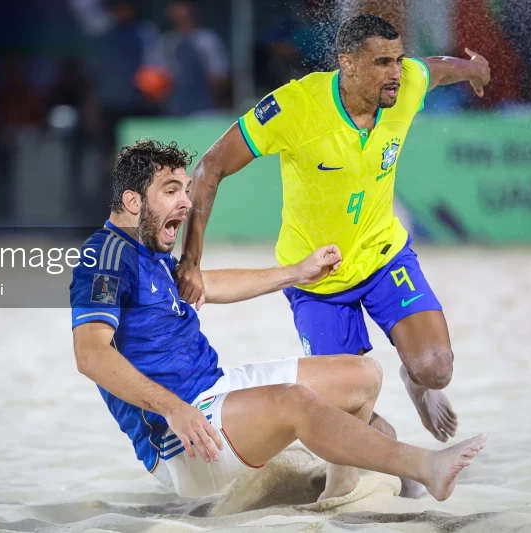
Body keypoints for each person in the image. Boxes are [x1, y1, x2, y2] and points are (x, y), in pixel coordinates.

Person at [175, 14, 491, 499]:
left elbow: (438, 67)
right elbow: (210, 167)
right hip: (316, 278)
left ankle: (416, 383)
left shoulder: (406, 84)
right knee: (348, 405)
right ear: (348, 64)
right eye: (382, 62)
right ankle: (393, 458)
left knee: (436, 368)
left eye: (398, 59)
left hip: (384, 255)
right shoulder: (295, 107)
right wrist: (191, 259)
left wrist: (474, 70)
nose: (396, 72)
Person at [69, 139, 486, 500]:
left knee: (362, 376)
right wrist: (175, 409)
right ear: (132, 201)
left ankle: (341, 490)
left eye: (185, 189)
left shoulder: (148, 251)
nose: (186, 202)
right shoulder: (104, 257)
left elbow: (209, 285)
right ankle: (426, 467)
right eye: (171, 190)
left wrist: (297, 272)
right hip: (179, 438)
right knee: (296, 402)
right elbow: (90, 355)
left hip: (213, 390)